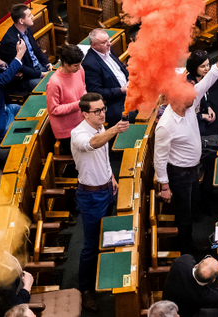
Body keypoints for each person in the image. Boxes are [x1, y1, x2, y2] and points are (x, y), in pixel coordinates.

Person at [155, 40, 218, 253]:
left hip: (192, 167)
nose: (195, 100)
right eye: (191, 100)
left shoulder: (188, 101)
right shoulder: (165, 126)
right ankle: (184, 248)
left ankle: (190, 240)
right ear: (177, 100)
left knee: (192, 206)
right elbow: (159, 158)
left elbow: (210, 77)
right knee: (184, 214)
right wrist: (164, 186)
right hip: (179, 174)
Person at [72, 95, 129, 312]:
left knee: (108, 235)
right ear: (84, 113)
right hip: (91, 196)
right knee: (90, 245)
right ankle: (86, 290)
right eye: (97, 111)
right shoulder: (78, 133)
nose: (102, 113)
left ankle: (105, 275)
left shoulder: (100, 127)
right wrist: (114, 130)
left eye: (103, 109)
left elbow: (102, 158)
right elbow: (92, 145)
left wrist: (111, 177)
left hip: (106, 189)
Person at [186, 42, 218, 212]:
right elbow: (184, 114)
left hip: (204, 124)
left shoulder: (201, 79)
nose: (206, 69)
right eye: (202, 67)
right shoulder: (188, 86)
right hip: (194, 132)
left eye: (208, 65)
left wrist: (208, 108)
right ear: (194, 68)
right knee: (216, 154)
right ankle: (205, 195)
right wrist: (202, 115)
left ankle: (211, 189)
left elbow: (204, 97)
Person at [164, 240, 218, 317]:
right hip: (183, 314)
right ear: (213, 280)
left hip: (168, 302)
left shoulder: (182, 262)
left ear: (196, 265)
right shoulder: (206, 297)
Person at [0, 4, 52, 92]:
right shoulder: (10, 41)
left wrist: (47, 63)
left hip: (39, 68)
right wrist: (41, 74)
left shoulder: (27, 29)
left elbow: (36, 50)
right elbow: (21, 67)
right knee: (51, 87)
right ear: (21, 21)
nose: (32, 17)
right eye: (29, 16)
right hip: (27, 78)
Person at [81, 28, 130, 126]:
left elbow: (121, 68)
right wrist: (121, 90)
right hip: (113, 101)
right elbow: (96, 92)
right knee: (132, 114)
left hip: (128, 90)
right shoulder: (90, 64)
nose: (109, 44)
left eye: (108, 40)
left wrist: (130, 78)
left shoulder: (107, 49)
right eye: (104, 42)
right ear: (93, 45)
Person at [45, 44, 87, 153]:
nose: (78, 68)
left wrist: (85, 99)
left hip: (83, 119)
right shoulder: (54, 82)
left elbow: (83, 87)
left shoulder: (79, 69)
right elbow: (54, 109)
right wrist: (78, 104)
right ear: (65, 64)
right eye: (75, 65)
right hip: (68, 129)